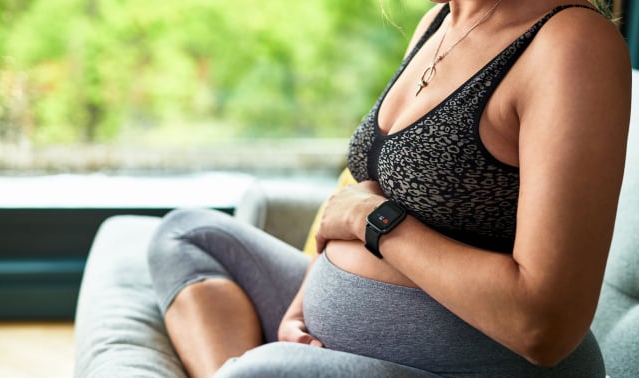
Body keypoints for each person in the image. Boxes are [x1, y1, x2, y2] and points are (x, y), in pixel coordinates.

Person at [147, 0, 631, 376]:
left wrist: (372, 221)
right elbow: (372, 189)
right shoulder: (438, 22)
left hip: (469, 368)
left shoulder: (571, 43)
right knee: (186, 235)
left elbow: (544, 327)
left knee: (260, 373)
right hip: (353, 335)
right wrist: (299, 309)